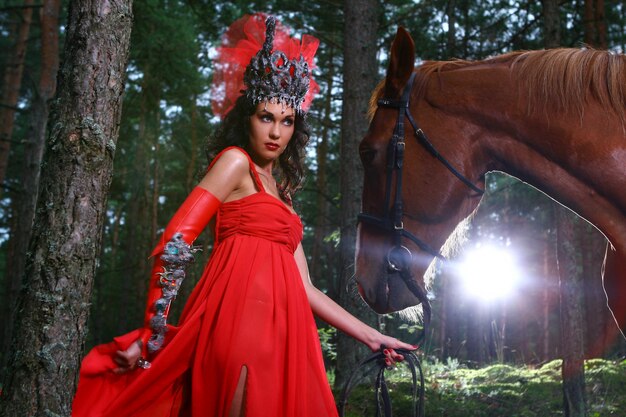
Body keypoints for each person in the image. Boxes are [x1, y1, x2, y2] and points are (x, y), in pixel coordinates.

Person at [72, 13, 416, 417]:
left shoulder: (284, 196)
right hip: (235, 323)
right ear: (247, 117)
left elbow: (305, 288)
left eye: (286, 121)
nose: (275, 133)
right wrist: (154, 330)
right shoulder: (235, 162)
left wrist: (371, 336)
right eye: (265, 117)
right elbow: (176, 240)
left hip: (286, 335)